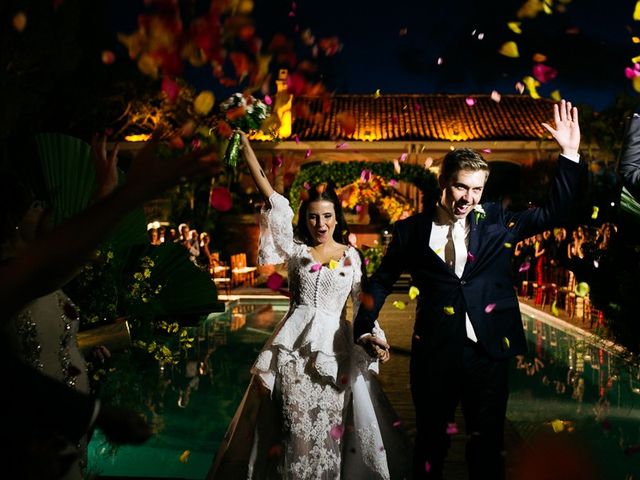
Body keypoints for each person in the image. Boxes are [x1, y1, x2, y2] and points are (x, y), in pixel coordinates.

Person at [354, 99, 581, 480]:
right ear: (443, 181)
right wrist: (364, 324)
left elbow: (555, 212)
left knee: (488, 448)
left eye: (477, 189)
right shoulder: (411, 230)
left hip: (488, 355)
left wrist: (570, 154)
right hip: (434, 355)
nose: (468, 198)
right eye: (461, 186)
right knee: (430, 446)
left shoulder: (498, 222)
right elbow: (381, 280)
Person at [0, 132, 218, 479]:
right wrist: (126, 195)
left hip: (64, 437)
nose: (46, 211)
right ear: (11, 221)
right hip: (31, 444)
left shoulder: (38, 281)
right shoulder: (14, 279)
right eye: (36, 206)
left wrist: (85, 347)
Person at [207, 131, 410, 479]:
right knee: (293, 434)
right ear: (306, 220)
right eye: (314, 217)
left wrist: (373, 337)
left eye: (328, 216)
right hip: (293, 354)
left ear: (337, 218)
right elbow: (272, 197)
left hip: (335, 356)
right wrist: (247, 149)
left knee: (329, 439)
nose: (321, 224)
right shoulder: (296, 251)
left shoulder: (350, 257)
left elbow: (363, 302)